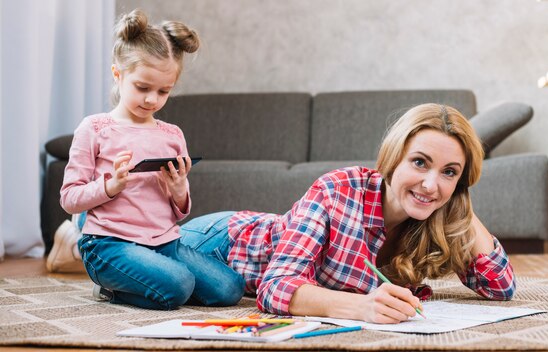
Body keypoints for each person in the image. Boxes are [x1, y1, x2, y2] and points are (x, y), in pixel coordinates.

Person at [179, 103, 516, 324]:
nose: (430, 184)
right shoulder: (339, 190)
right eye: (420, 162)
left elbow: (501, 287)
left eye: (449, 171)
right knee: (178, 280)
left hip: (233, 257)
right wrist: (361, 308)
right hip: (219, 243)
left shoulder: (438, 210)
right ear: (393, 157)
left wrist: (457, 201)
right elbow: (276, 287)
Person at [58, 9, 244, 310]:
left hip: (165, 243)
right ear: (118, 75)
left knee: (230, 289)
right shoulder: (94, 128)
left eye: (163, 91)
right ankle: (109, 288)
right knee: (179, 285)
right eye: (142, 88)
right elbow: (69, 198)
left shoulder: (172, 134)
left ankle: (156, 280)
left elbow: (179, 213)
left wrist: (178, 188)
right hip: (108, 246)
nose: (151, 100)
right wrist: (110, 187)